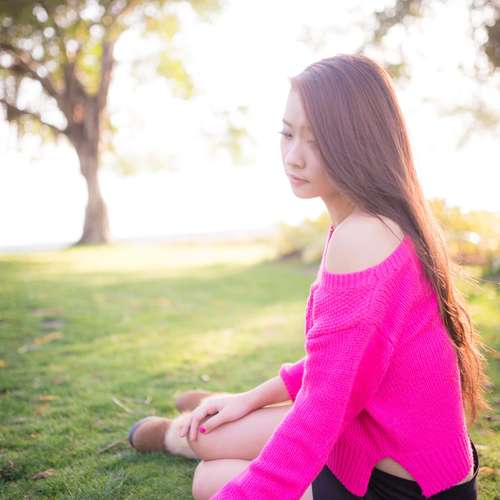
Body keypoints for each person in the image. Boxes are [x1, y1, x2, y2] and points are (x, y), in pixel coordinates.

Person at [127, 53, 492, 500]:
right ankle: (203, 414)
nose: (293, 157)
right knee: (212, 437)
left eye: (317, 141)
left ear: (359, 143)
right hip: (386, 442)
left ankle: (182, 428)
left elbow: (321, 410)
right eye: (287, 133)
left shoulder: (364, 237)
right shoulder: (377, 220)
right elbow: (344, 364)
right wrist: (252, 398)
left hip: (396, 487)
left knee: (208, 476)